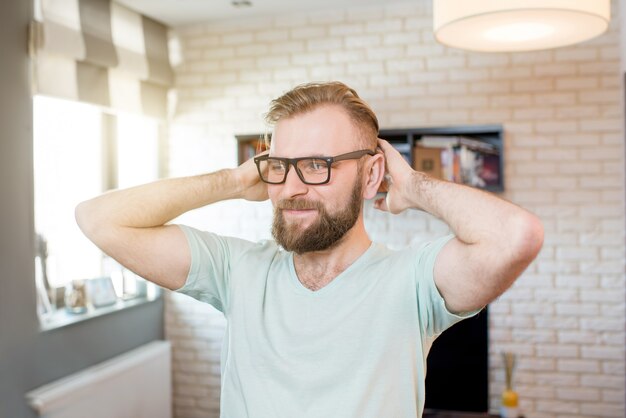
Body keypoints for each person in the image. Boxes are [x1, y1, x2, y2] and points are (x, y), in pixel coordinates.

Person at [75, 81, 544, 418]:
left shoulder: (414, 281)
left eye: (317, 165)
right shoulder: (236, 270)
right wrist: (236, 181)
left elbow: (515, 236)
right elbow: (99, 219)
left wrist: (415, 186)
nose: (292, 187)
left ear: (371, 175)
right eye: (280, 165)